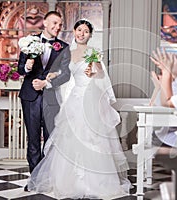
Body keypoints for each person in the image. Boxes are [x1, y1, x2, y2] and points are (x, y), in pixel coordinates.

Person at [27, 19, 131, 199]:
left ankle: (94, 183)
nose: (82, 34)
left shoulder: (93, 52)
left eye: (86, 31)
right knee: (70, 137)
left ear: (90, 35)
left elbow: (100, 75)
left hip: (90, 97)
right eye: (79, 30)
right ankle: (69, 181)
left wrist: (95, 68)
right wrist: (53, 74)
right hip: (75, 97)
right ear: (74, 31)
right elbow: (65, 74)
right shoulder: (68, 52)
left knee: (92, 138)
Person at [17, 10, 71, 183]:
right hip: (30, 96)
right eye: (54, 23)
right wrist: (27, 66)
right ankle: (35, 180)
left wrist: (46, 83)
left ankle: (48, 180)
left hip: (51, 99)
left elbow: (66, 74)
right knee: (33, 140)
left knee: (50, 141)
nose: (58, 27)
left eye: (60, 24)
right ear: (45, 23)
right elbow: (20, 69)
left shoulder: (63, 47)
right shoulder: (29, 41)